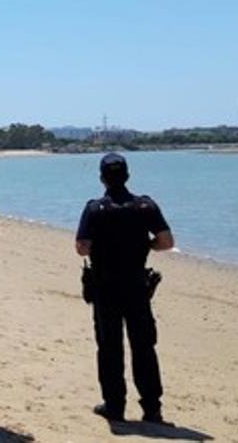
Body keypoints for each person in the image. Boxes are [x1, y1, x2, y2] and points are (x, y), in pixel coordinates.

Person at [76, 153, 174, 424]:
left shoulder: (95, 209)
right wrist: (145, 246)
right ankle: (152, 408)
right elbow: (166, 241)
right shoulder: (145, 206)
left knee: (109, 347)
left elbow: (82, 247)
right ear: (127, 176)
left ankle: (114, 405)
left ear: (102, 178)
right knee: (143, 346)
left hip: (105, 286)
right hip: (136, 286)